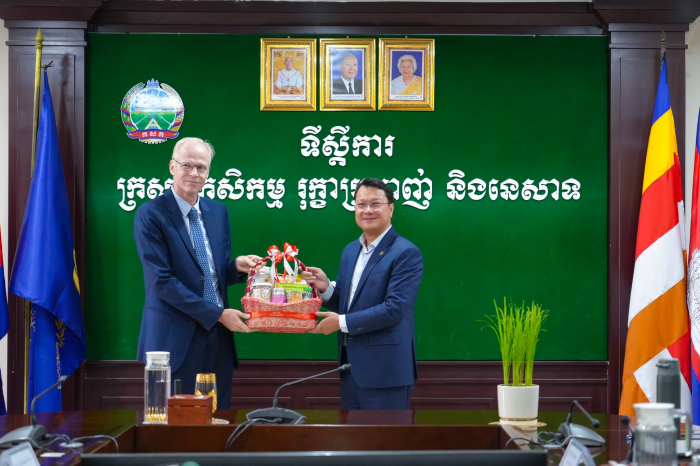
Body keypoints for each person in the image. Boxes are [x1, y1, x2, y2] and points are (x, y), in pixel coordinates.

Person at [133, 137, 260, 409]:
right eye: (187, 165)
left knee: (217, 418)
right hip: (173, 339)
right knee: (174, 424)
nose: (194, 173)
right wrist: (217, 314)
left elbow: (208, 275)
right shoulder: (151, 214)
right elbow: (161, 281)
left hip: (218, 338)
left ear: (208, 172)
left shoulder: (218, 212)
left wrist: (235, 267)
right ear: (172, 167)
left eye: (201, 167)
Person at [302, 178, 424, 410]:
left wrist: (341, 323)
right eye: (361, 204)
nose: (367, 210)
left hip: (386, 373)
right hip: (351, 369)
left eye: (375, 204)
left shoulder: (406, 252)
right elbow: (349, 304)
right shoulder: (350, 251)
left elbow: (394, 309)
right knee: (354, 434)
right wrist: (325, 288)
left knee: (385, 434)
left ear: (391, 208)